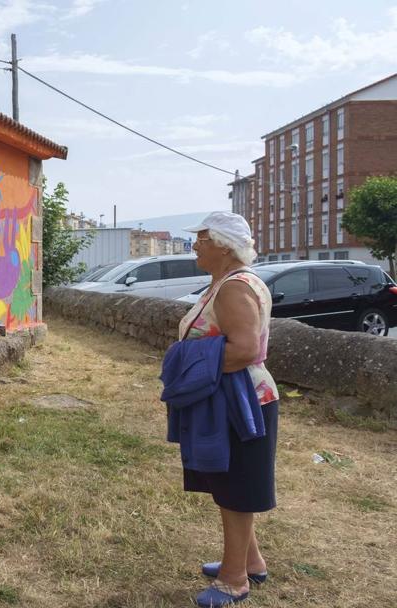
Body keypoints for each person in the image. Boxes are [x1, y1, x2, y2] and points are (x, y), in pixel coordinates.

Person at [178, 211, 279, 607]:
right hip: (233, 396)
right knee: (229, 483)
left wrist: (187, 366)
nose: (195, 246)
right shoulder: (227, 282)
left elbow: (244, 349)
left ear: (221, 244)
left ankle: (235, 579)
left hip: (240, 400)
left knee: (237, 487)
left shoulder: (235, 287)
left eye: (201, 239)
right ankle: (250, 561)